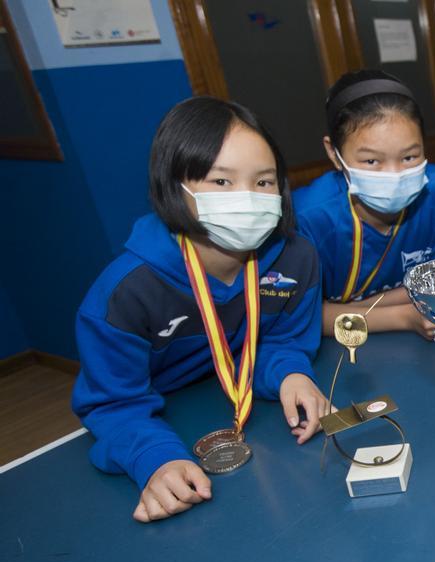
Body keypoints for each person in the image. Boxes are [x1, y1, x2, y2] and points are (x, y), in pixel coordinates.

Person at [73, 97, 329, 523]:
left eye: (264, 182)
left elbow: (280, 339)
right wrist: (154, 458)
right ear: (175, 186)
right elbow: (112, 403)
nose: (247, 197)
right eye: (222, 182)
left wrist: (290, 372)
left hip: (226, 395)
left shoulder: (296, 258)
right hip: (163, 411)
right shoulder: (124, 294)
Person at [294, 70, 435, 338]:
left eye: (409, 157)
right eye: (371, 161)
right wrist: (403, 316)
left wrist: (349, 308)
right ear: (333, 153)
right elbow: (300, 321)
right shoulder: (307, 215)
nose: (394, 175)